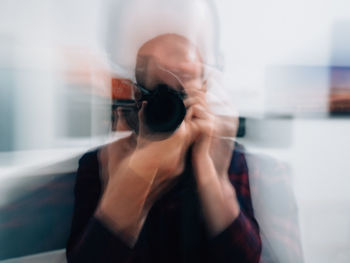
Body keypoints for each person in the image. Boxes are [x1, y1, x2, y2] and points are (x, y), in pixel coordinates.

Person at [66, 33, 261, 263]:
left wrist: (212, 176)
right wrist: (130, 181)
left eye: (182, 90)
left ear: (204, 91)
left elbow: (246, 259)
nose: (172, 104)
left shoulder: (228, 158)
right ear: (138, 96)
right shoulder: (100, 162)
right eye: (160, 92)